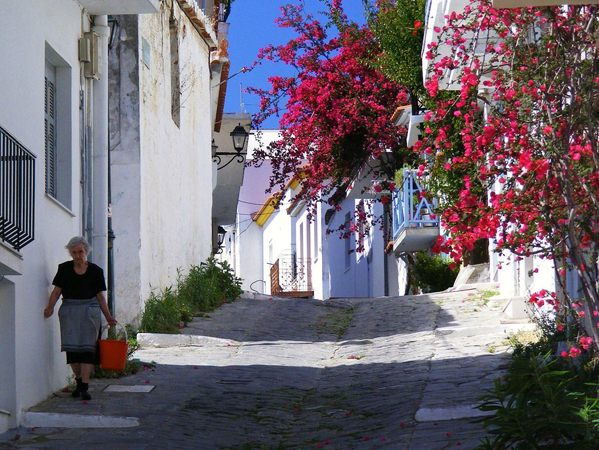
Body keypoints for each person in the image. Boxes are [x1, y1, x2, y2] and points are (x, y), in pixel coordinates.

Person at [44, 236, 117, 400]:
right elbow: (56, 292)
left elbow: (100, 297)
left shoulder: (95, 271)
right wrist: (50, 307)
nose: (77, 255)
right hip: (69, 311)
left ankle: (84, 387)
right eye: (74, 252)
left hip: (90, 311)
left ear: (86, 252)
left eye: (80, 252)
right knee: (72, 350)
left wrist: (108, 316)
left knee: (88, 350)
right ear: (70, 253)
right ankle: (79, 383)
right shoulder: (64, 269)